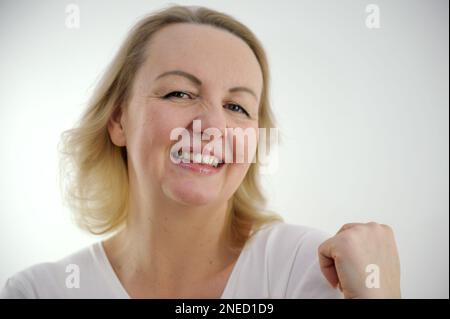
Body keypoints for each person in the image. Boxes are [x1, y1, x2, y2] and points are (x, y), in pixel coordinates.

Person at [0, 5, 401, 299]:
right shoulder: (39, 291)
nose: (211, 128)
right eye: (180, 93)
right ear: (119, 120)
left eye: (237, 107)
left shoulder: (305, 267)